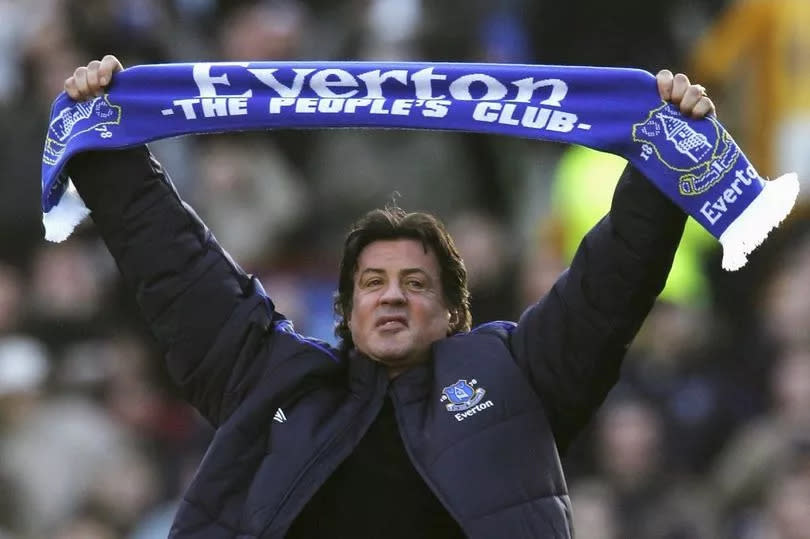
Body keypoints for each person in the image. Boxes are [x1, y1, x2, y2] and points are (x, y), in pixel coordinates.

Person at [62, 55, 715, 538]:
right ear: (345, 312)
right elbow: (175, 265)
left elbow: (610, 284)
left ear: (455, 313)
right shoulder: (273, 379)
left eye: (416, 282)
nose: (392, 296)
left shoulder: (516, 373)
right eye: (371, 283)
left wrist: (668, 155)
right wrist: (103, 140)